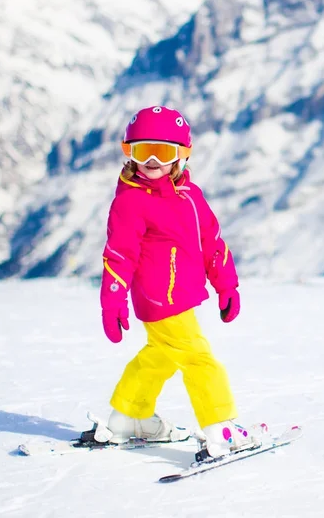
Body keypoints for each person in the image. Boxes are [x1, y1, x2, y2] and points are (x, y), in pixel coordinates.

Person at [96, 105, 255, 458]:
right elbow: (119, 255)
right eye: (141, 151)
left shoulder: (191, 196)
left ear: (181, 156)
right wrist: (112, 301)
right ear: (128, 153)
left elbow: (211, 242)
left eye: (163, 152)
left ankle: (129, 416)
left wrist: (226, 284)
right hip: (159, 299)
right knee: (199, 359)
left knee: (160, 357)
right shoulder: (130, 202)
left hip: (181, 294)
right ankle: (221, 428)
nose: (151, 160)